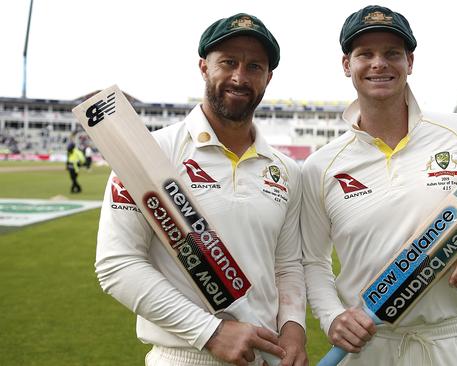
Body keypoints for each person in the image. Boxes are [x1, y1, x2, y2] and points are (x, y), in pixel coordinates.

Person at [301, 5, 457, 365]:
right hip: (370, 347)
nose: (379, 64)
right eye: (365, 54)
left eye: (392, 53)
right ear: (346, 65)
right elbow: (311, 259)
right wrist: (332, 317)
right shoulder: (321, 166)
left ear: (410, 62)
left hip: (454, 342)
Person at [96, 13, 307, 366]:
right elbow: (117, 264)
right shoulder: (149, 152)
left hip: (264, 357)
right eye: (228, 62)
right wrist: (210, 331)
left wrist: (294, 326)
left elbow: (286, 265)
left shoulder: (286, 170)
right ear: (203, 67)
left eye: (254, 66)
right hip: (184, 356)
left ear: (268, 77)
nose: (240, 77)